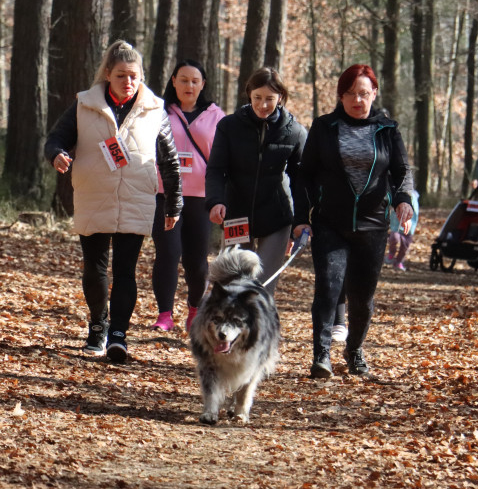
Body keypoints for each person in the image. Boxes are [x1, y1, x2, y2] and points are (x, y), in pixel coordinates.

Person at [44, 40, 182, 363]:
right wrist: (57, 156)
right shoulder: (84, 105)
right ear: (108, 75)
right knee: (94, 271)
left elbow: (170, 160)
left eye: (134, 76)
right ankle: (98, 324)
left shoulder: (155, 109)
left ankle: (118, 333)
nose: (128, 82)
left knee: (125, 271)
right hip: (93, 195)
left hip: (136, 199)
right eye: (121, 75)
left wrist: (174, 204)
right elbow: (56, 139)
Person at [302, 64, 414, 378]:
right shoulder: (325, 127)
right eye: (350, 93)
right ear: (341, 95)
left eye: (364, 93)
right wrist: (304, 215)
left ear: (374, 94)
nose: (357, 100)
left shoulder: (386, 128)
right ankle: (321, 355)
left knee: (362, 298)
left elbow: (401, 172)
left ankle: (354, 350)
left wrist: (403, 201)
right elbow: (305, 174)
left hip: (372, 226)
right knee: (328, 286)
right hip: (330, 223)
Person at [206, 67, 309, 294]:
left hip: (277, 217)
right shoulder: (229, 126)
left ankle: (260, 329)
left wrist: (300, 221)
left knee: (262, 286)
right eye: (258, 98)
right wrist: (215, 201)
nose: (263, 105)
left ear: (280, 97)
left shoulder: (295, 132)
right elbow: (216, 169)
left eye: (270, 99)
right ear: (249, 94)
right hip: (236, 215)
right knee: (233, 282)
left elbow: (301, 181)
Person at [150, 60, 225, 333]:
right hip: (165, 193)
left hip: (201, 197)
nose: (189, 85)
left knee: (196, 259)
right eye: (183, 80)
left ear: (203, 84)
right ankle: (164, 314)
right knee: (168, 253)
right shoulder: (159, 112)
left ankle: (195, 309)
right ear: (173, 81)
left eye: (195, 81)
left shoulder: (217, 116)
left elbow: (223, 157)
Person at [385, 189, 420, 271]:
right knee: (394, 238)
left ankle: (399, 261)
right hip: (396, 222)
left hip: (410, 224)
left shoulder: (414, 195)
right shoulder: (399, 192)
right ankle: (391, 253)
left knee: (405, 244)